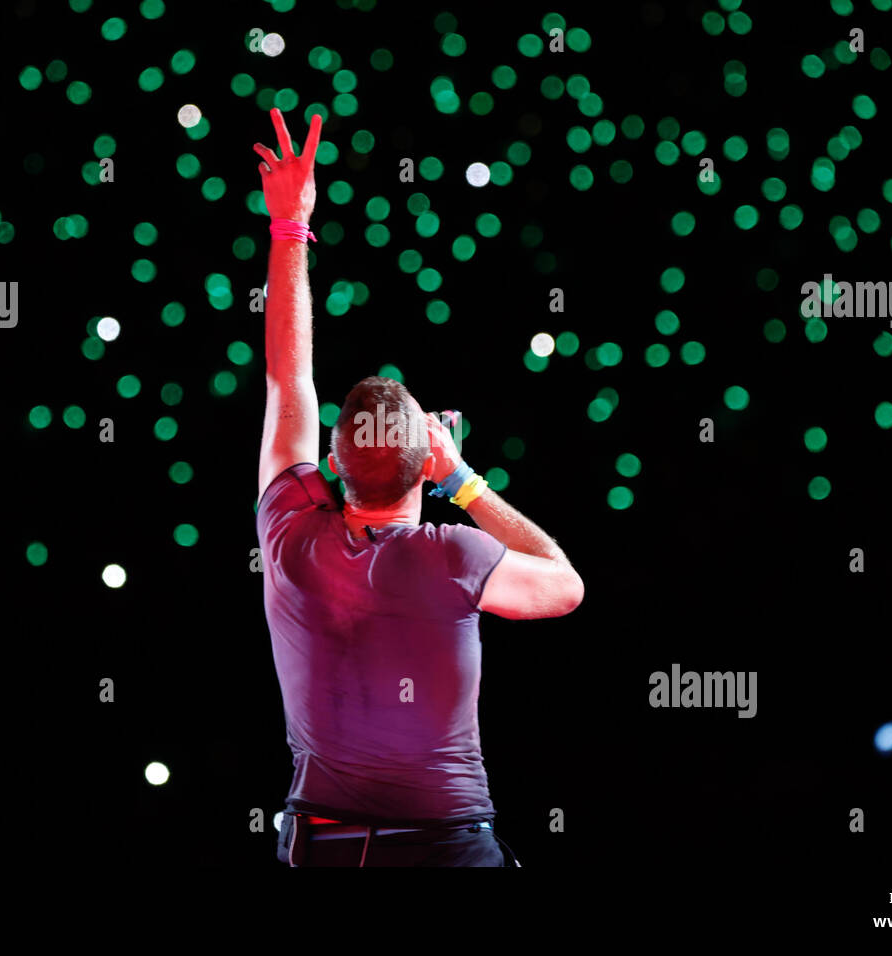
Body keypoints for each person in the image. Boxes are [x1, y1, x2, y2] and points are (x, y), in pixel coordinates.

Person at [253, 108, 584, 866]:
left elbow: (287, 377)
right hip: (447, 851)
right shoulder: (458, 555)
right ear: (426, 463)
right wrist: (463, 481)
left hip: (324, 847)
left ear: (333, 465)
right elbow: (565, 585)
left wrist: (290, 226)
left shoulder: (290, 527)